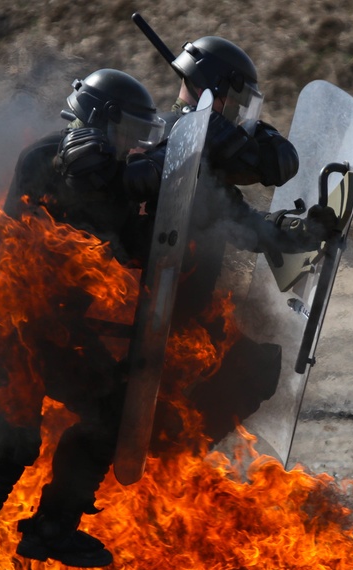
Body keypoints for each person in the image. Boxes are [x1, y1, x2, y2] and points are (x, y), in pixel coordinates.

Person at [0, 68, 168, 570]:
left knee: (116, 409)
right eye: (127, 130)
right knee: (13, 445)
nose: (133, 143)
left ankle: (53, 527)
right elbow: (82, 165)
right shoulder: (57, 155)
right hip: (10, 326)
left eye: (143, 133)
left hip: (59, 332)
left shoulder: (120, 183)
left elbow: (149, 239)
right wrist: (145, 172)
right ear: (99, 120)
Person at [130, 35, 339, 449]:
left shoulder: (189, 143)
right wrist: (296, 233)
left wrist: (301, 231)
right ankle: (171, 458)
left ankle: (172, 459)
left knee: (254, 364)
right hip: (156, 317)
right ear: (215, 91)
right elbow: (241, 218)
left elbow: (240, 213)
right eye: (236, 101)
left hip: (183, 314)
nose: (240, 115)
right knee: (251, 368)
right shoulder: (178, 145)